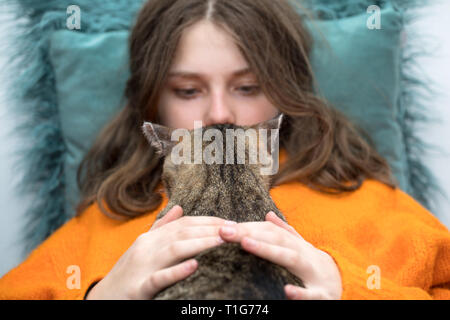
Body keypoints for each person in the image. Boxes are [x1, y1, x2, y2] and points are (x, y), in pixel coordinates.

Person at [0, 0, 449, 300]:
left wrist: (349, 287)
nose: (220, 114)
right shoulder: (106, 220)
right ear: (153, 100)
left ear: (286, 91)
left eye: (248, 86)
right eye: (188, 89)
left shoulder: (369, 204)